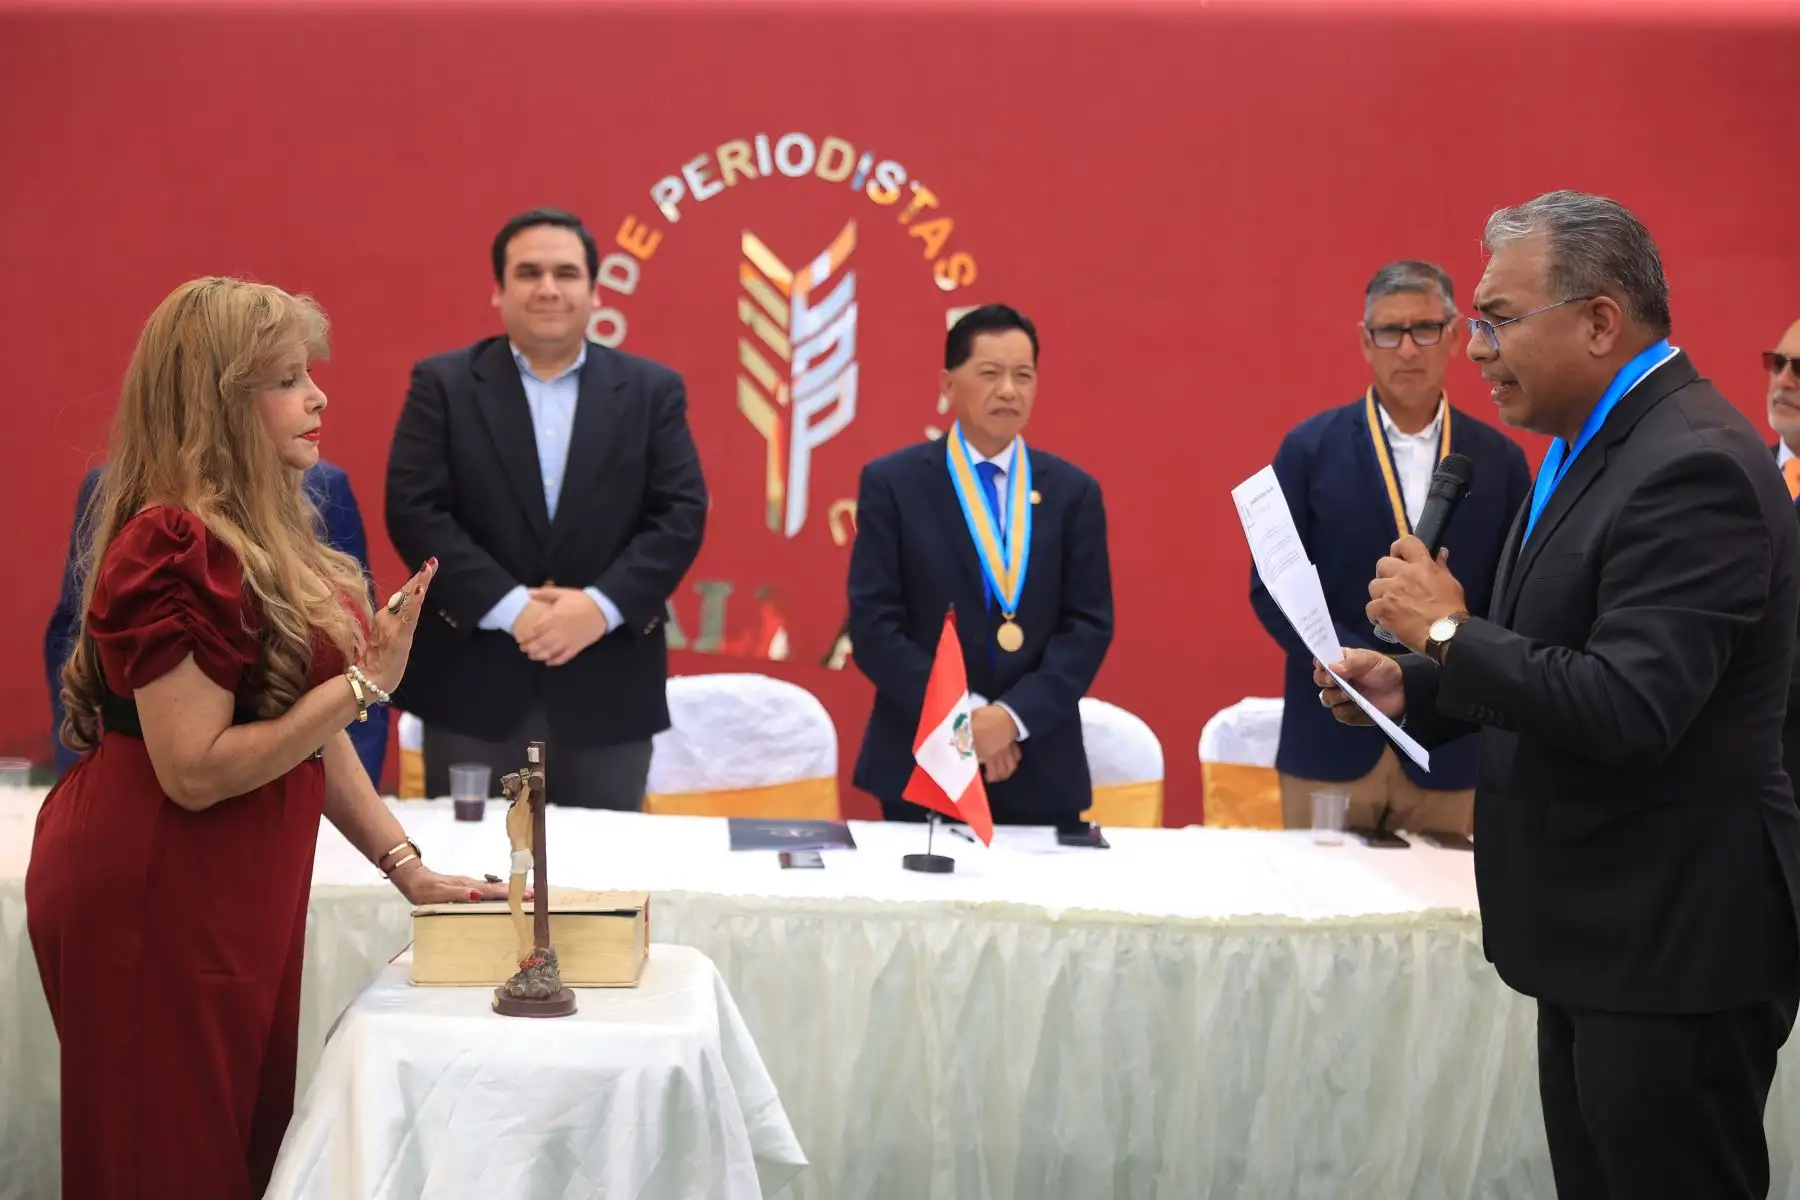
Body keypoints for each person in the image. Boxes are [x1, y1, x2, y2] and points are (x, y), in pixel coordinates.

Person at [1322, 191, 1800, 1198]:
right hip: (1602, 936)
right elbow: (1554, 656)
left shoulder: (1695, 466)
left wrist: (1448, 630)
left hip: (1671, 944)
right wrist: (1413, 683)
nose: (1477, 347)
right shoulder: (1596, 449)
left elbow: (1631, 708)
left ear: (1600, 321)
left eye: (1498, 319)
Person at [25, 277, 507, 1198]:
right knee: (161, 1162)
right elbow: (197, 772)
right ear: (219, 402)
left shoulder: (266, 526)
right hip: (160, 886)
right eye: (288, 379)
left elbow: (295, 730)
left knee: (237, 1155)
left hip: (234, 885)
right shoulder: (173, 544)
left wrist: (407, 866)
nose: (320, 396)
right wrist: (365, 685)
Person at [386, 207, 706, 809]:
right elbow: (415, 509)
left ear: (593, 291)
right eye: (528, 273)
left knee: (603, 888)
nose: (548, 288)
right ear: (499, 291)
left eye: (566, 273)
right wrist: (511, 609)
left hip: (610, 686)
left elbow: (680, 515)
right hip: (472, 690)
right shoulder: (444, 386)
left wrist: (598, 607)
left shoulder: (651, 391)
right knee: (470, 887)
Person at [1250, 260, 1529, 834]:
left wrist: (1431, 669)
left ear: (1455, 335)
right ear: (1364, 340)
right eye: (1389, 332)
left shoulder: (1499, 461)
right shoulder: (1308, 450)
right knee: (1319, 917)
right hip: (1331, 733)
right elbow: (1271, 587)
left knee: (1452, 918)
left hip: (1453, 742)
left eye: (1425, 329)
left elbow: (1514, 596)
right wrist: (1354, 666)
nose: (1407, 349)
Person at [847, 304, 1113, 827]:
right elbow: (874, 626)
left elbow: (1087, 626)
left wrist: (1011, 720)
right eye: (990, 373)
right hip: (923, 761)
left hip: (1039, 767)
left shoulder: (1072, 493)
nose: (1009, 390)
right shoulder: (894, 484)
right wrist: (966, 719)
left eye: (1023, 375)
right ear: (948, 384)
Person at [44, 460, 389, 783]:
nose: (318, 400)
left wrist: (369, 829)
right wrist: (77, 768)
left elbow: (353, 651)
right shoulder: (120, 490)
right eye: (285, 388)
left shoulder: (325, 485)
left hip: (293, 804)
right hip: (148, 794)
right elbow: (75, 636)